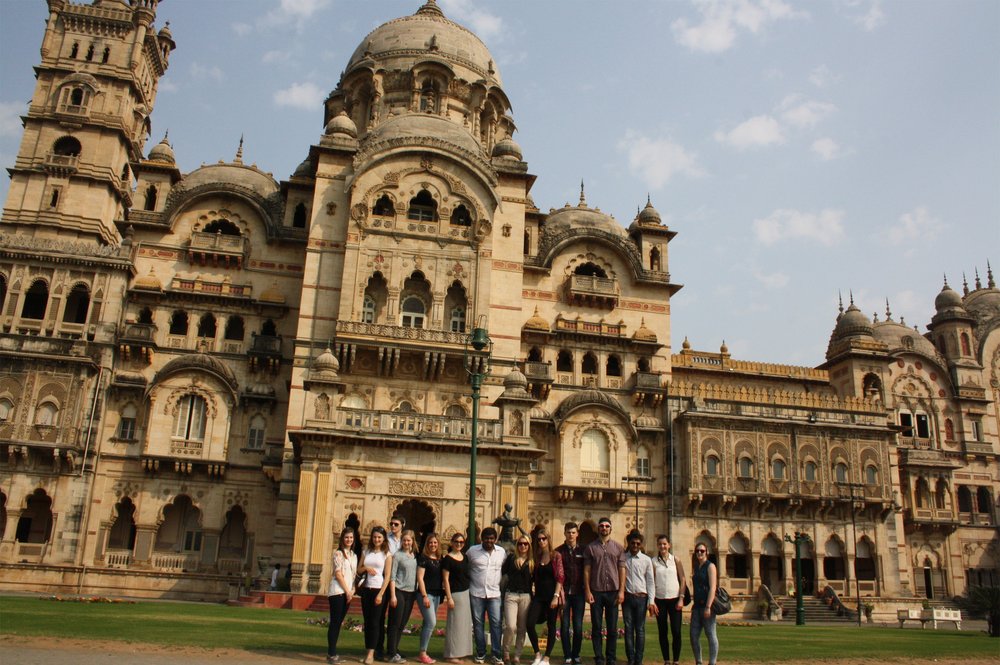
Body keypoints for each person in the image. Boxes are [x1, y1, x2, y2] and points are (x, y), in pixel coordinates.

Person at [584, 517, 625, 665]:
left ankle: (611, 657)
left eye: (607, 526)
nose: (604, 528)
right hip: (596, 591)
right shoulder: (590, 548)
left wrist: (621, 591)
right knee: (596, 627)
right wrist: (587, 591)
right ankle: (599, 657)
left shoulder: (618, 548)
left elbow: (622, 570)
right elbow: (587, 571)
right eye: (601, 526)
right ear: (598, 529)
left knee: (612, 628)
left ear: (611, 529)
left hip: (613, 591)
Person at [467, 527, 506, 665]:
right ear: (482, 538)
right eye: (486, 538)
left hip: (494, 593)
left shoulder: (501, 552)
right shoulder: (472, 551)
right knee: (478, 624)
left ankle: (496, 654)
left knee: (496, 624)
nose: (489, 541)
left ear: (495, 539)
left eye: (491, 538)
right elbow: (465, 566)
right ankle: (481, 652)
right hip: (476, 593)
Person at [526, 528, 563, 665]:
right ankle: (537, 654)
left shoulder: (555, 556)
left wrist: (556, 596)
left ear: (548, 539)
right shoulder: (536, 557)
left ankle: (546, 658)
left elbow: (560, 577)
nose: (541, 541)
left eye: (544, 538)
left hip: (551, 596)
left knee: (551, 625)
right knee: (530, 623)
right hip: (539, 597)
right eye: (539, 539)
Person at [621, 531, 655, 665]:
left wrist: (651, 601)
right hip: (628, 597)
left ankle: (638, 660)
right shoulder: (623, 558)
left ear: (641, 545)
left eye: (638, 543)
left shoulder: (646, 560)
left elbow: (650, 581)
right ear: (628, 543)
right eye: (633, 543)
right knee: (628, 628)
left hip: (641, 597)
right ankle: (631, 658)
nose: (635, 545)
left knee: (640, 629)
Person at [361, 526, 393, 665]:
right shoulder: (366, 551)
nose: (376, 539)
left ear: (383, 538)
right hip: (366, 589)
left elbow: (387, 576)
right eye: (374, 537)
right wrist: (366, 568)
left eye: (379, 537)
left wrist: (381, 594)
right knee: (367, 622)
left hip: (378, 589)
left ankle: (371, 653)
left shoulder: (387, 554)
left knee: (375, 622)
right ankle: (369, 649)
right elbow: (359, 569)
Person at [652, 535, 686, 665]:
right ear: (657, 546)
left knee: (676, 631)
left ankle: (676, 660)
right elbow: (651, 581)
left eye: (665, 544)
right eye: (660, 544)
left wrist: (681, 598)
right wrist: (652, 601)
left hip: (675, 599)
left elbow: (682, 579)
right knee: (663, 631)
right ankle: (666, 659)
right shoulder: (654, 561)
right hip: (660, 600)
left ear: (669, 545)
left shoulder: (675, 560)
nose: (662, 546)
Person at [387, 530, 419, 664]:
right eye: (404, 540)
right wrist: (393, 595)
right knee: (395, 622)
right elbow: (392, 576)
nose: (406, 542)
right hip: (399, 591)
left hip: (411, 593)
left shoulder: (414, 556)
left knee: (402, 623)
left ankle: (395, 648)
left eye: (409, 540)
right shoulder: (397, 555)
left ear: (412, 541)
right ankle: (391, 653)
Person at [327, 527, 358, 664]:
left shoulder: (353, 555)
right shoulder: (338, 554)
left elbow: (353, 575)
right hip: (338, 592)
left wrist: (352, 590)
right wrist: (347, 591)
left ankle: (333, 652)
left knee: (338, 622)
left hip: (347, 593)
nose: (349, 540)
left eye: (351, 537)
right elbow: (338, 574)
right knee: (335, 622)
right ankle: (331, 653)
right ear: (342, 539)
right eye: (346, 537)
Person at [502, 535, 534, 665]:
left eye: (525, 544)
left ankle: (517, 655)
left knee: (522, 627)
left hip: (525, 596)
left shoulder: (532, 561)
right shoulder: (511, 558)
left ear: (529, 546)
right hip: (511, 595)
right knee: (510, 625)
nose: (523, 546)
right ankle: (506, 652)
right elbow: (503, 575)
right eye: (520, 544)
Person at [556, 522, 585, 665]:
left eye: (573, 532)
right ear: (564, 533)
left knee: (578, 626)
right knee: (565, 625)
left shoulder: (583, 551)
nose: (571, 535)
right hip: (564, 593)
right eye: (568, 532)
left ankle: (576, 654)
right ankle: (567, 655)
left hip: (579, 593)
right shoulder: (558, 551)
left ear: (577, 534)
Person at [442, 532, 473, 664]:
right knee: (454, 625)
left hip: (466, 592)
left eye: (461, 542)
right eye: (456, 542)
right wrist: (449, 597)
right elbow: (445, 579)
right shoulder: (448, 559)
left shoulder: (465, 557)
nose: (459, 544)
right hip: (455, 594)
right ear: (452, 542)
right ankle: (451, 654)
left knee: (464, 625)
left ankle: (461, 652)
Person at [416, 533, 444, 665]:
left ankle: (422, 652)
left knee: (427, 623)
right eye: (430, 543)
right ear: (427, 544)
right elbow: (420, 578)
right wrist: (424, 595)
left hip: (437, 594)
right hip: (426, 595)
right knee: (431, 622)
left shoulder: (440, 558)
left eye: (435, 543)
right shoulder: (423, 558)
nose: (433, 545)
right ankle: (423, 652)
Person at [689, 544, 718, 665]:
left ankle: (712, 662)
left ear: (707, 552)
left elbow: (712, 587)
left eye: (702, 551)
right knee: (693, 636)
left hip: (707, 606)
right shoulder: (697, 567)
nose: (700, 553)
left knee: (711, 634)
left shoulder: (710, 566)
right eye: (697, 551)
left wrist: (708, 606)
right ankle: (699, 661)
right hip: (696, 606)